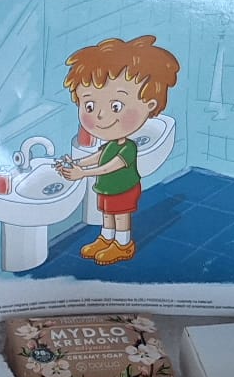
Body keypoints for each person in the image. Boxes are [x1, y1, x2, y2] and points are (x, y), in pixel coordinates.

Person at [54, 36, 181, 266]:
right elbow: (100, 156)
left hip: (123, 188)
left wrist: (83, 173)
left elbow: (110, 166)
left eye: (116, 106)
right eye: (89, 105)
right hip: (107, 188)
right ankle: (106, 239)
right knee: (107, 214)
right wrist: (79, 163)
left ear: (150, 106)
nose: (101, 115)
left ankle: (123, 244)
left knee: (121, 216)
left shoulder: (128, 147)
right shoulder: (111, 144)